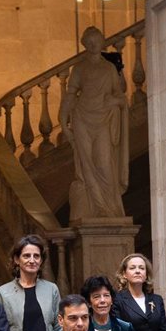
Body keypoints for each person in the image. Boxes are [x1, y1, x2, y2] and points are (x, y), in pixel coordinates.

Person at [58, 25, 129, 220]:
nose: (93, 45)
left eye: (96, 41)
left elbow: (121, 97)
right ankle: (98, 208)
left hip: (103, 119)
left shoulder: (109, 68)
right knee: (86, 165)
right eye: (89, 42)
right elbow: (70, 94)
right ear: (84, 44)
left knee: (104, 163)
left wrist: (114, 101)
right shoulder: (79, 68)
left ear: (102, 42)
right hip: (82, 117)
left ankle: (109, 207)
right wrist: (63, 121)